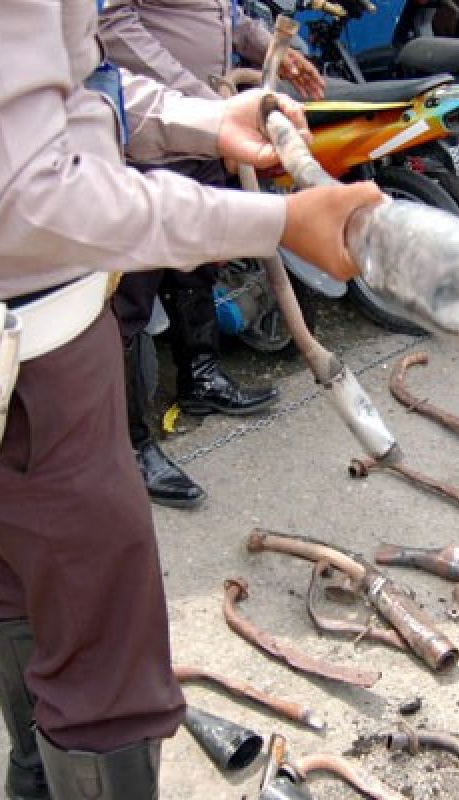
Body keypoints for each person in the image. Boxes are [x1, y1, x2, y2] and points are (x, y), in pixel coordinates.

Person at [0, 0, 380, 796]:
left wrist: (197, 119)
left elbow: (63, 89)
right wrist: (278, 221)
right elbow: (30, 196)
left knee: (28, 570)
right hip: (18, 359)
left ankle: (36, 774)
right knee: (110, 666)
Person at [98, 0, 327, 511]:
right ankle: (129, 446)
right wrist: (209, 107)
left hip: (202, 135)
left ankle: (200, 380)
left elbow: (225, 13)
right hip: (150, 140)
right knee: (129, 300)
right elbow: (114, 27)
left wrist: (269, 48)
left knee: (196, 270)